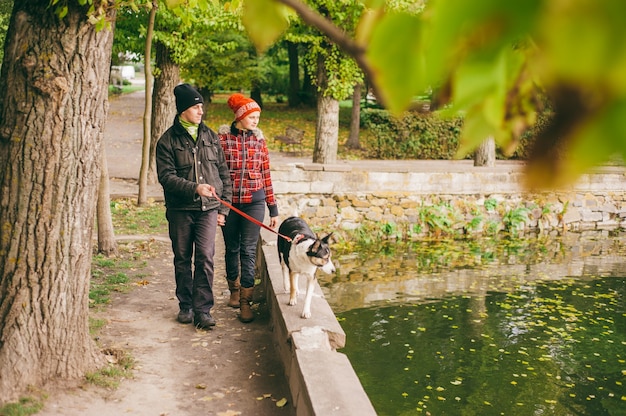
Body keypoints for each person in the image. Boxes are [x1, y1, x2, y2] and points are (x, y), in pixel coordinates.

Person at [156, 83, 233, 330]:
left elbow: (223, 174)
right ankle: (186, 306)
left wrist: (223, 209)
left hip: (209, 209)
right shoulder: (167, 141)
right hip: (180, 210)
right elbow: (166, 177)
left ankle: (203, 310)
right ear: (183, 109)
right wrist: (194, 187)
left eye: (202, 107)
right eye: (196, 107)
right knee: (182, 258)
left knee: (205, 257)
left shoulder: (210, 137)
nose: (201, 111)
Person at [218, 93, 279, 323]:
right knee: (232, 247)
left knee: (249, 249)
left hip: (255, 201)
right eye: (252, 117)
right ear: (239, 116)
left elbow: (266, 175)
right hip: (229, 202)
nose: (256, 121)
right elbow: (217, 173)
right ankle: (233, 291)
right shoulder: (222, 140)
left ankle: (246, 301)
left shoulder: (259, 141)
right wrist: (217, 206)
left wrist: (273, 209)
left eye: (257, 117)